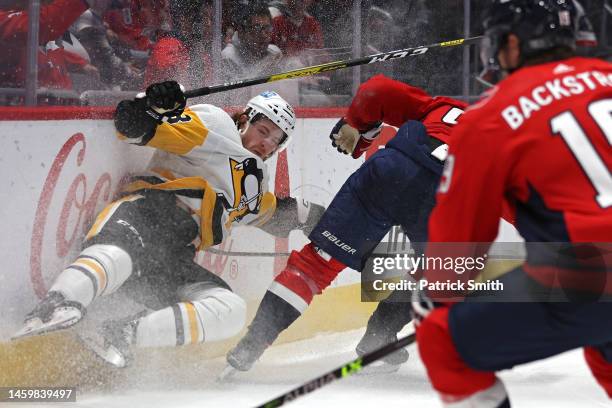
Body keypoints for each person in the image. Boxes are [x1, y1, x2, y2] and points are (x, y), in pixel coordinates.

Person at [13, 81, 323, 368]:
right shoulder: (215, 127)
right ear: (244, 118)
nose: (266, 143)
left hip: (173, 256)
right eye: (263, 129)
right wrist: (155, 103)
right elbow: (132, 126)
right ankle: (59, 301)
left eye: (276, 140)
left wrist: (321, 219)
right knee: (118, 257)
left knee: (230, 309)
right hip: (147, 214)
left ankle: (122, 334)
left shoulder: (256, 185)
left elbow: (276, 214)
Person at [413, 1, 612, 406]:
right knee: (604, 342)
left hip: (590, 275)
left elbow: (460, 240)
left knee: (441, 341)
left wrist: (435, 296)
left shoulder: (490, 115)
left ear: (514, 43)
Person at [224, 74, 467, 373]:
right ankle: (379, 339)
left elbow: (377, 88)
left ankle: (250, 346)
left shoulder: (447, 106)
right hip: (446, 193)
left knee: (315, 266)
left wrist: (358, 124)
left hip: (389, 170)